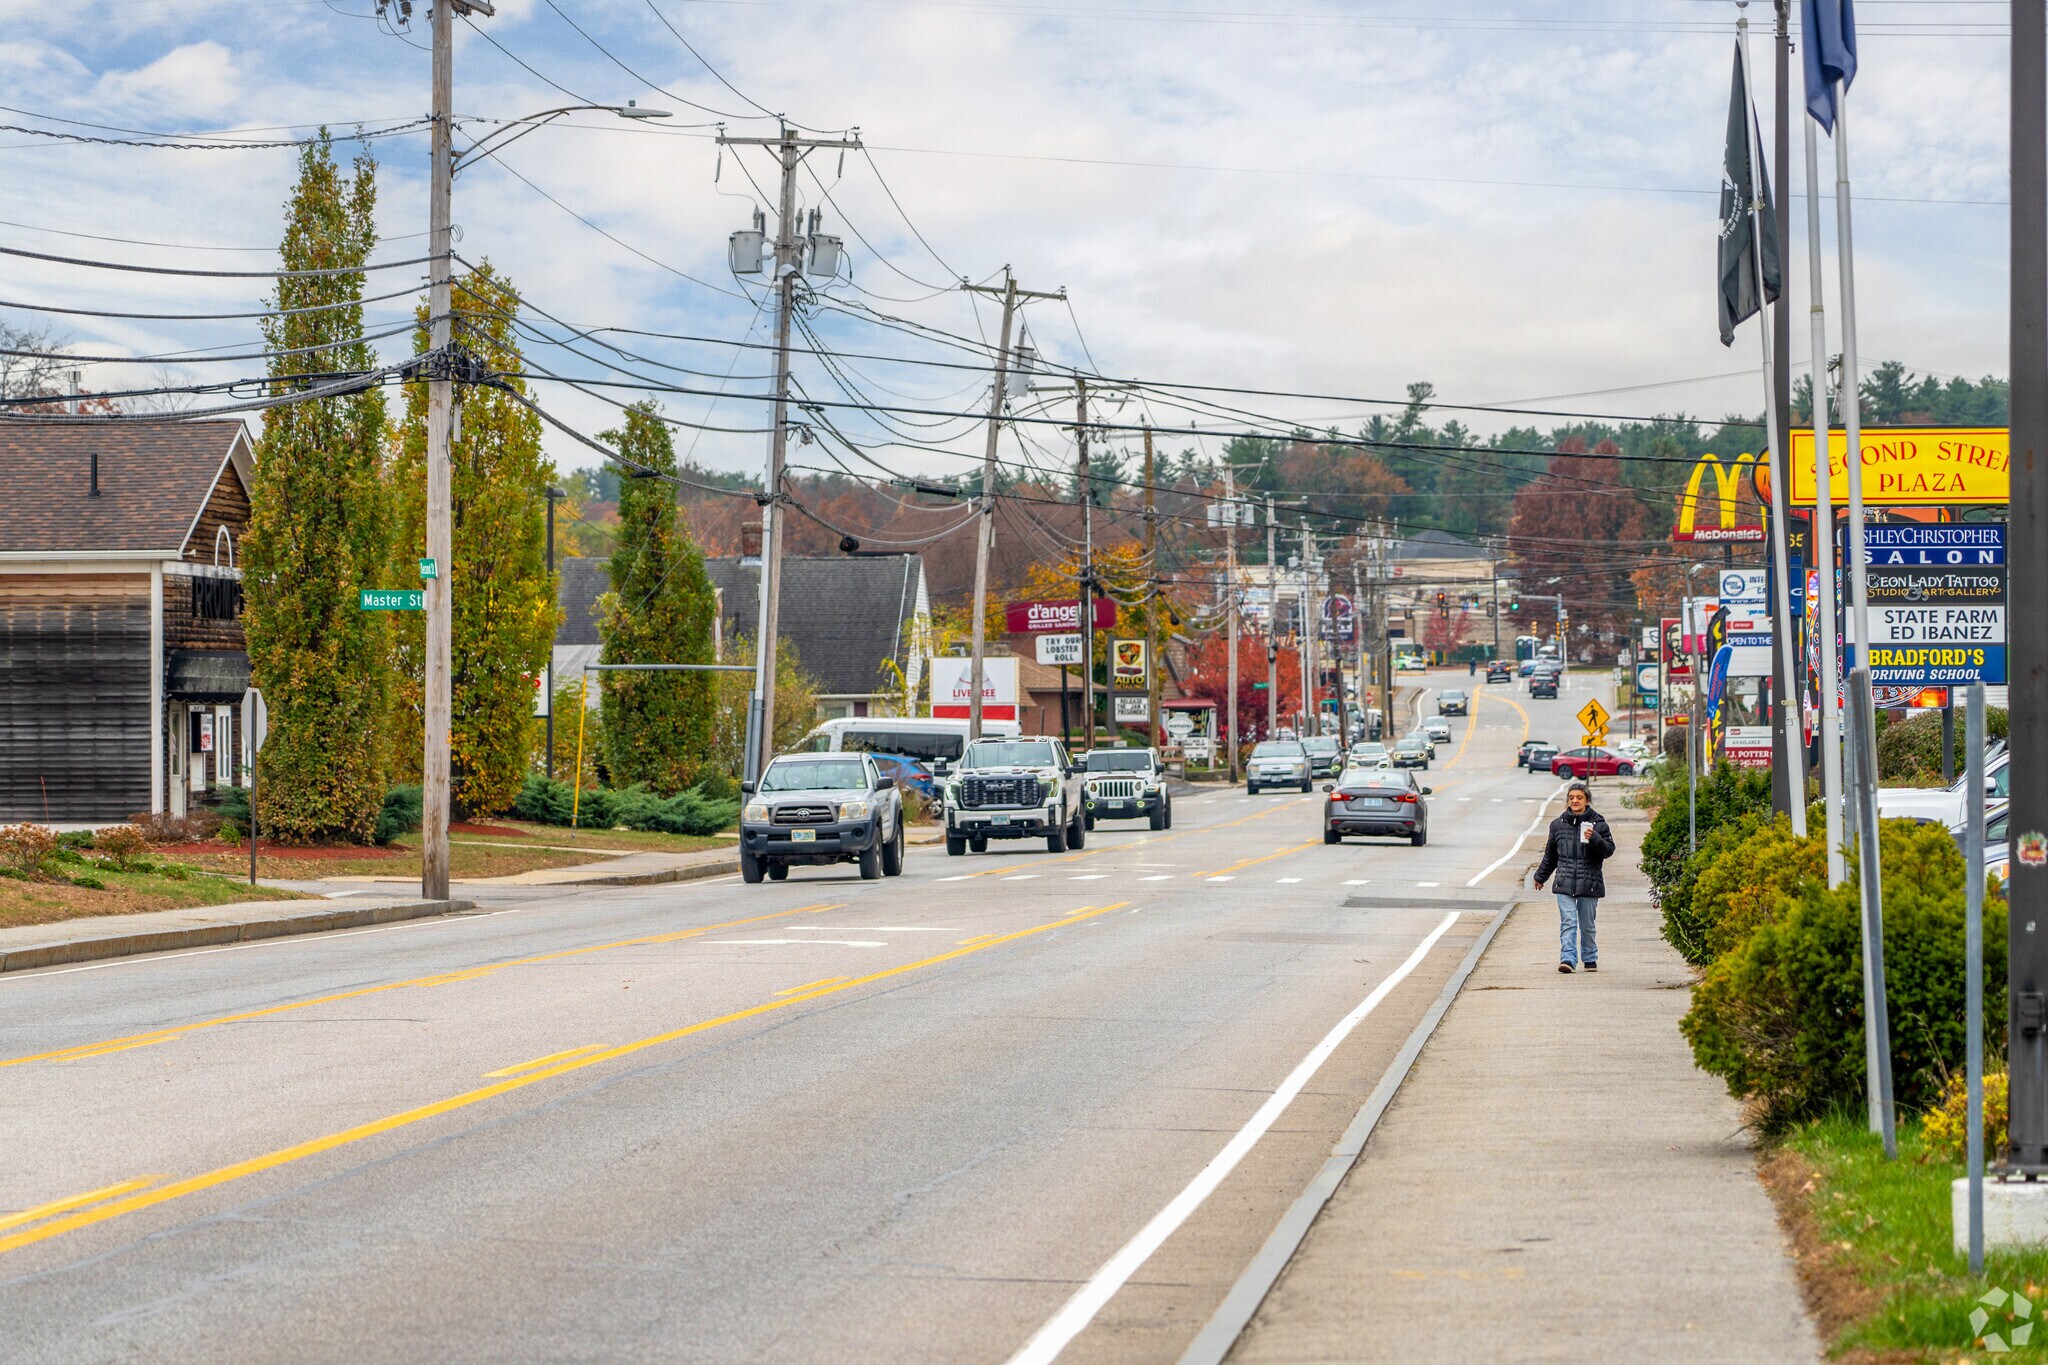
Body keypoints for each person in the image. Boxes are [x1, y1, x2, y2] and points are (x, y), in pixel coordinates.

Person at [1533, 779, 1614, 973]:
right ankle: (1568, 959)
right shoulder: (1557, 825)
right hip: (1564, 881)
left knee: (1587, 925)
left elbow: (1608, 851)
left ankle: (1590, 957)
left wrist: (1594, 838)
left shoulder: (1599, 825)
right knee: (1568, 922)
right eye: (1571, 798)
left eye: (1579, 797)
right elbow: (1551, 855)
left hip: (1590, 882)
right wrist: (1540, 877)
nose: (1575, 801)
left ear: (1587, 800)